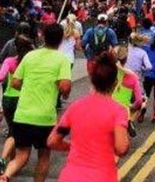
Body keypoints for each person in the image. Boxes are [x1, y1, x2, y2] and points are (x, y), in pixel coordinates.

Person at [0, 24, 72, 182]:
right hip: (44, 117)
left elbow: (15, 82)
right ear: (60, 41)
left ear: (43, 37)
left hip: (23, 114)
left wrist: (31, 83)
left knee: (21, 156)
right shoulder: (62, 59)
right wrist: (61, 90)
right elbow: (65, 86)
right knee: (44, 156)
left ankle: (5, 176)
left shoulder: (29, 56)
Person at [45, 51, 130, 182]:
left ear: (92, 80)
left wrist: (72, 146)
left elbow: (52, 141)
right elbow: (121, 148)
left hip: (70, 177)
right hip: (102, 176)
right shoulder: (118, 111)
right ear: (115, 83)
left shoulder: (75, 107)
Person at [0, 35, 35, 176]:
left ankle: (9, 161)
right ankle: (5, 159)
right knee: (16, 132)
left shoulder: (10, 61)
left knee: (12, 130)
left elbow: (1, 76)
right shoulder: (30, 62)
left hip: (8, 99)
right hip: (22, 98)